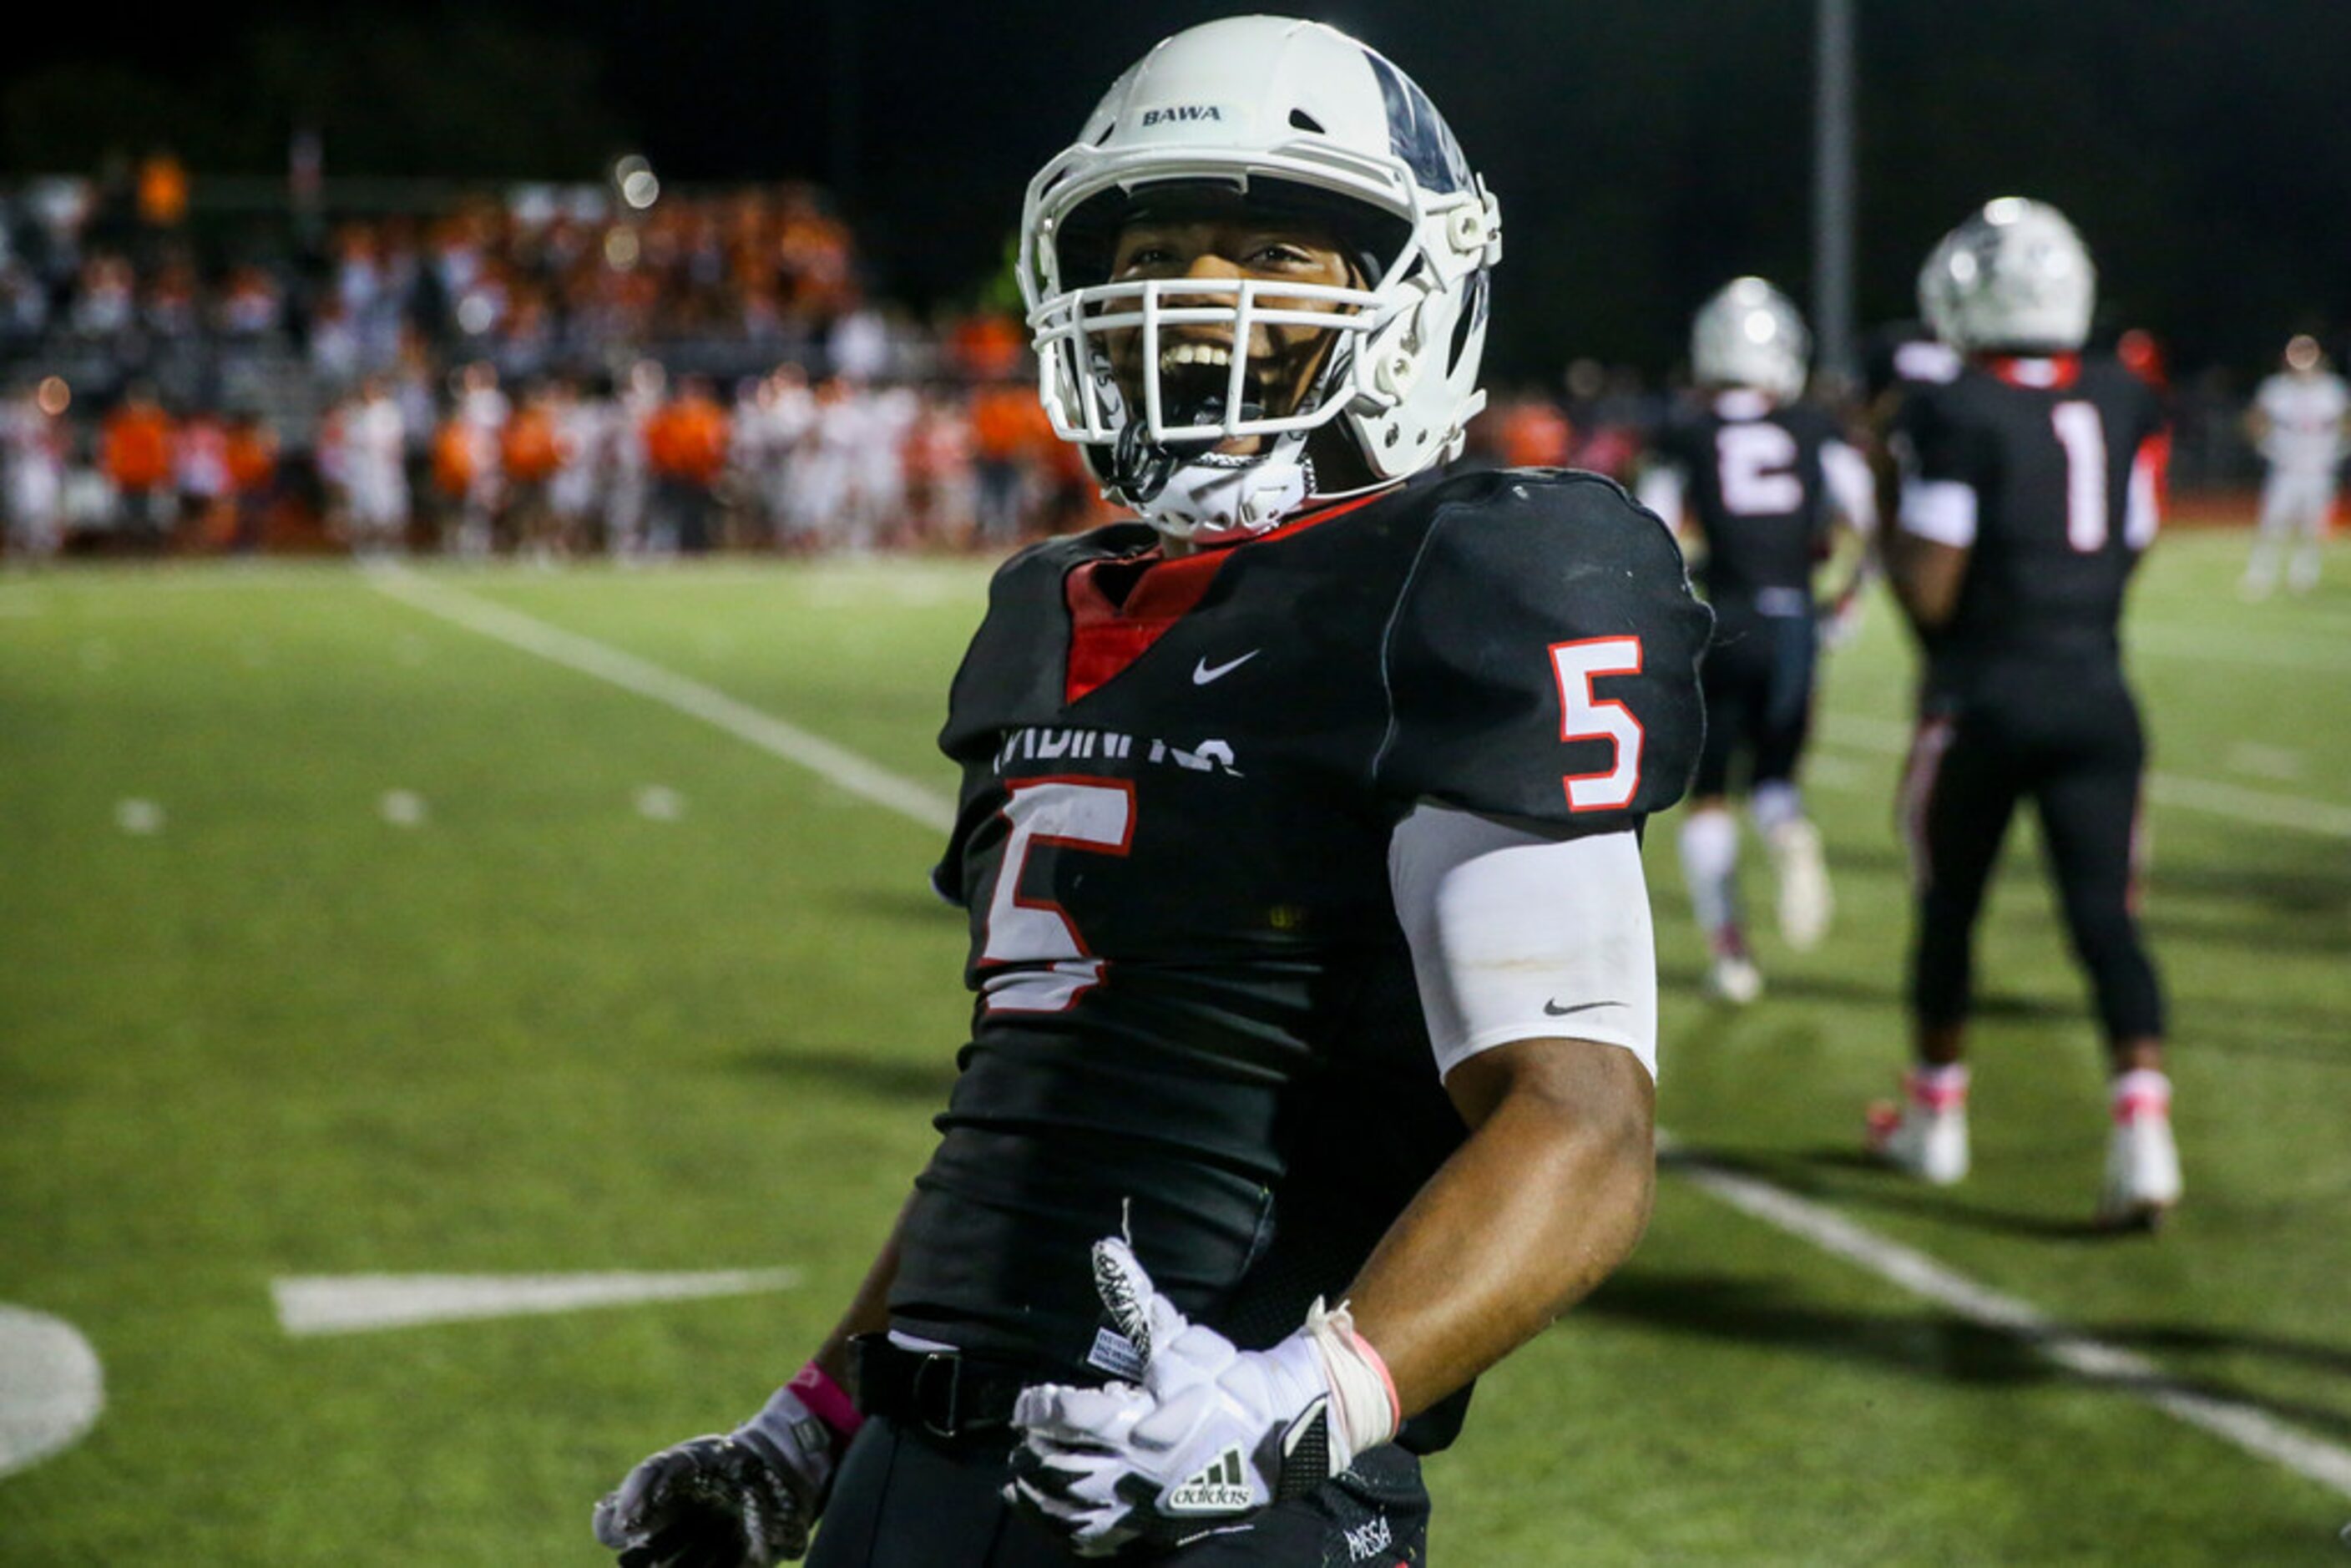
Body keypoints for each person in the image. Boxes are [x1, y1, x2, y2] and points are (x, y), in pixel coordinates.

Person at [591, 16, 1710, 1568]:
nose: (1196, 296)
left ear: (1414, 289)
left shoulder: (1467, 574)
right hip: (910, 1484)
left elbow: (1582, 1124)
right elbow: (1030, 1115)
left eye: (1270, 248)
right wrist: (814, 1424)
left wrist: (1294, 1401)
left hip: (1217, 1491)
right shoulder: (1044, 613)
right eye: (1164, 246)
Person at [1872, 198, 2179, 1227]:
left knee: (1947, 909)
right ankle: (2142, 1138)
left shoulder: (1955, 404)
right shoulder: (2122, 394)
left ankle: (1935, 1123)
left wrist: (1881, 499)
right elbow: (2128, 542)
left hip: (1981, 700)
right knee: (2106, 920)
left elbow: (1929, 590)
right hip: (2097, 687)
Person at [1638, 278, 1875, 1003]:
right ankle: (1788, 830)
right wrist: (1848, 603)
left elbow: (1651, 533)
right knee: (1775, 778)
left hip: (1724, 622)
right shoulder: (1811, 429)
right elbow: (1866, 513)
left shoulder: (1687, 431)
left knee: (1709, 797)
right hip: (1795, 621)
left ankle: (1731, 954)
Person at [2239, 332, 2347, 599]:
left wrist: (2338, 452)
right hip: (2287, 468)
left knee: (2312, 526)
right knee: (2273, 522)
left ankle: (2304, 575)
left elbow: (2345, 423)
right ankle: (2261, 573)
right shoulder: (2277, 388)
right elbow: (2254, 419)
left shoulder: (2333, 389)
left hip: (2319, 469)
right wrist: (2265, 447)